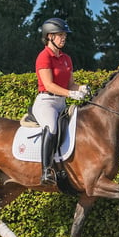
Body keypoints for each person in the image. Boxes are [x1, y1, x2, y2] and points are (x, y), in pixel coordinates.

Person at [32, 18, 90, 186]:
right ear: (50, 36)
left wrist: (81, 88)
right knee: (51, 127)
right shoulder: (44, 57)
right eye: (60, 35)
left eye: (64, 35)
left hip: (61, 102)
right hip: (46, 102)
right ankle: (46, 170)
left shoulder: (66, 58)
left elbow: (71, 84)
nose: (64, 38)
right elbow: (49, 84)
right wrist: (71, 93)